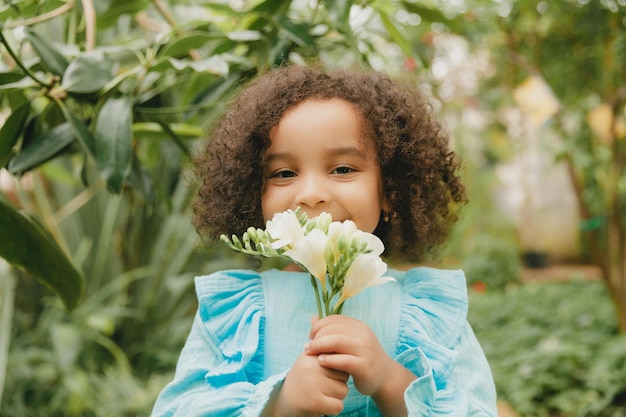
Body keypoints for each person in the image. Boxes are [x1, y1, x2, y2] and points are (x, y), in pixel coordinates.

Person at [151, 64, 498, 417]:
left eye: (343, 169)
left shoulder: (426, 311)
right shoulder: (238, 311)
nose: (312, 193)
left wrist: (389, 381)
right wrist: (278, 405)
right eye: (284, 174)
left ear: (390, 190)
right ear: (254, 193)